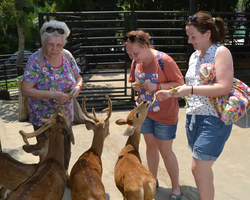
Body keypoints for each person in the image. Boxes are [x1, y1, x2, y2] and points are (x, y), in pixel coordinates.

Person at [156, 11, 234, 200]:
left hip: (214, 119)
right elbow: (189, 84)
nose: (190, 40)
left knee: (198, 168)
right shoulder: (194, 56)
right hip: (194, 118)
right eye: (188, 36)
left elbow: (224, 87)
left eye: (193, 36)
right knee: (202, 170)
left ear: (207, 34)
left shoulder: (221, 52)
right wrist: (171, 93)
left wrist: (189, 90)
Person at [125, 30, 184, 199]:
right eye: (129, 54)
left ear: (145, 46)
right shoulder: (136, 62)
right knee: (150, 148)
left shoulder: (164, 61)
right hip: (145, 114)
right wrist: (136, 86)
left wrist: (157, 87)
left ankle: (176, 189)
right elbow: (133, 80)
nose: (133, 57)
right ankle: (153, 179)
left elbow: (180, 85)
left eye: (135, 53)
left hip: (165, 115)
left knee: (166, 152)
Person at [21, 20, 83, 182]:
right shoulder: (36, 60)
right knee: (47, 153)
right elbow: (26, 89)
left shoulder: (67, 56)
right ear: (43, 43)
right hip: (44, 119)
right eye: (50, 45)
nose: (54, 49)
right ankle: (47, 182)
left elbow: (78, 77)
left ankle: (63, 176)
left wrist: (77, 87)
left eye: (59, 45)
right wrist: (53, 95)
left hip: (65, 117)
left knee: (65, 150)